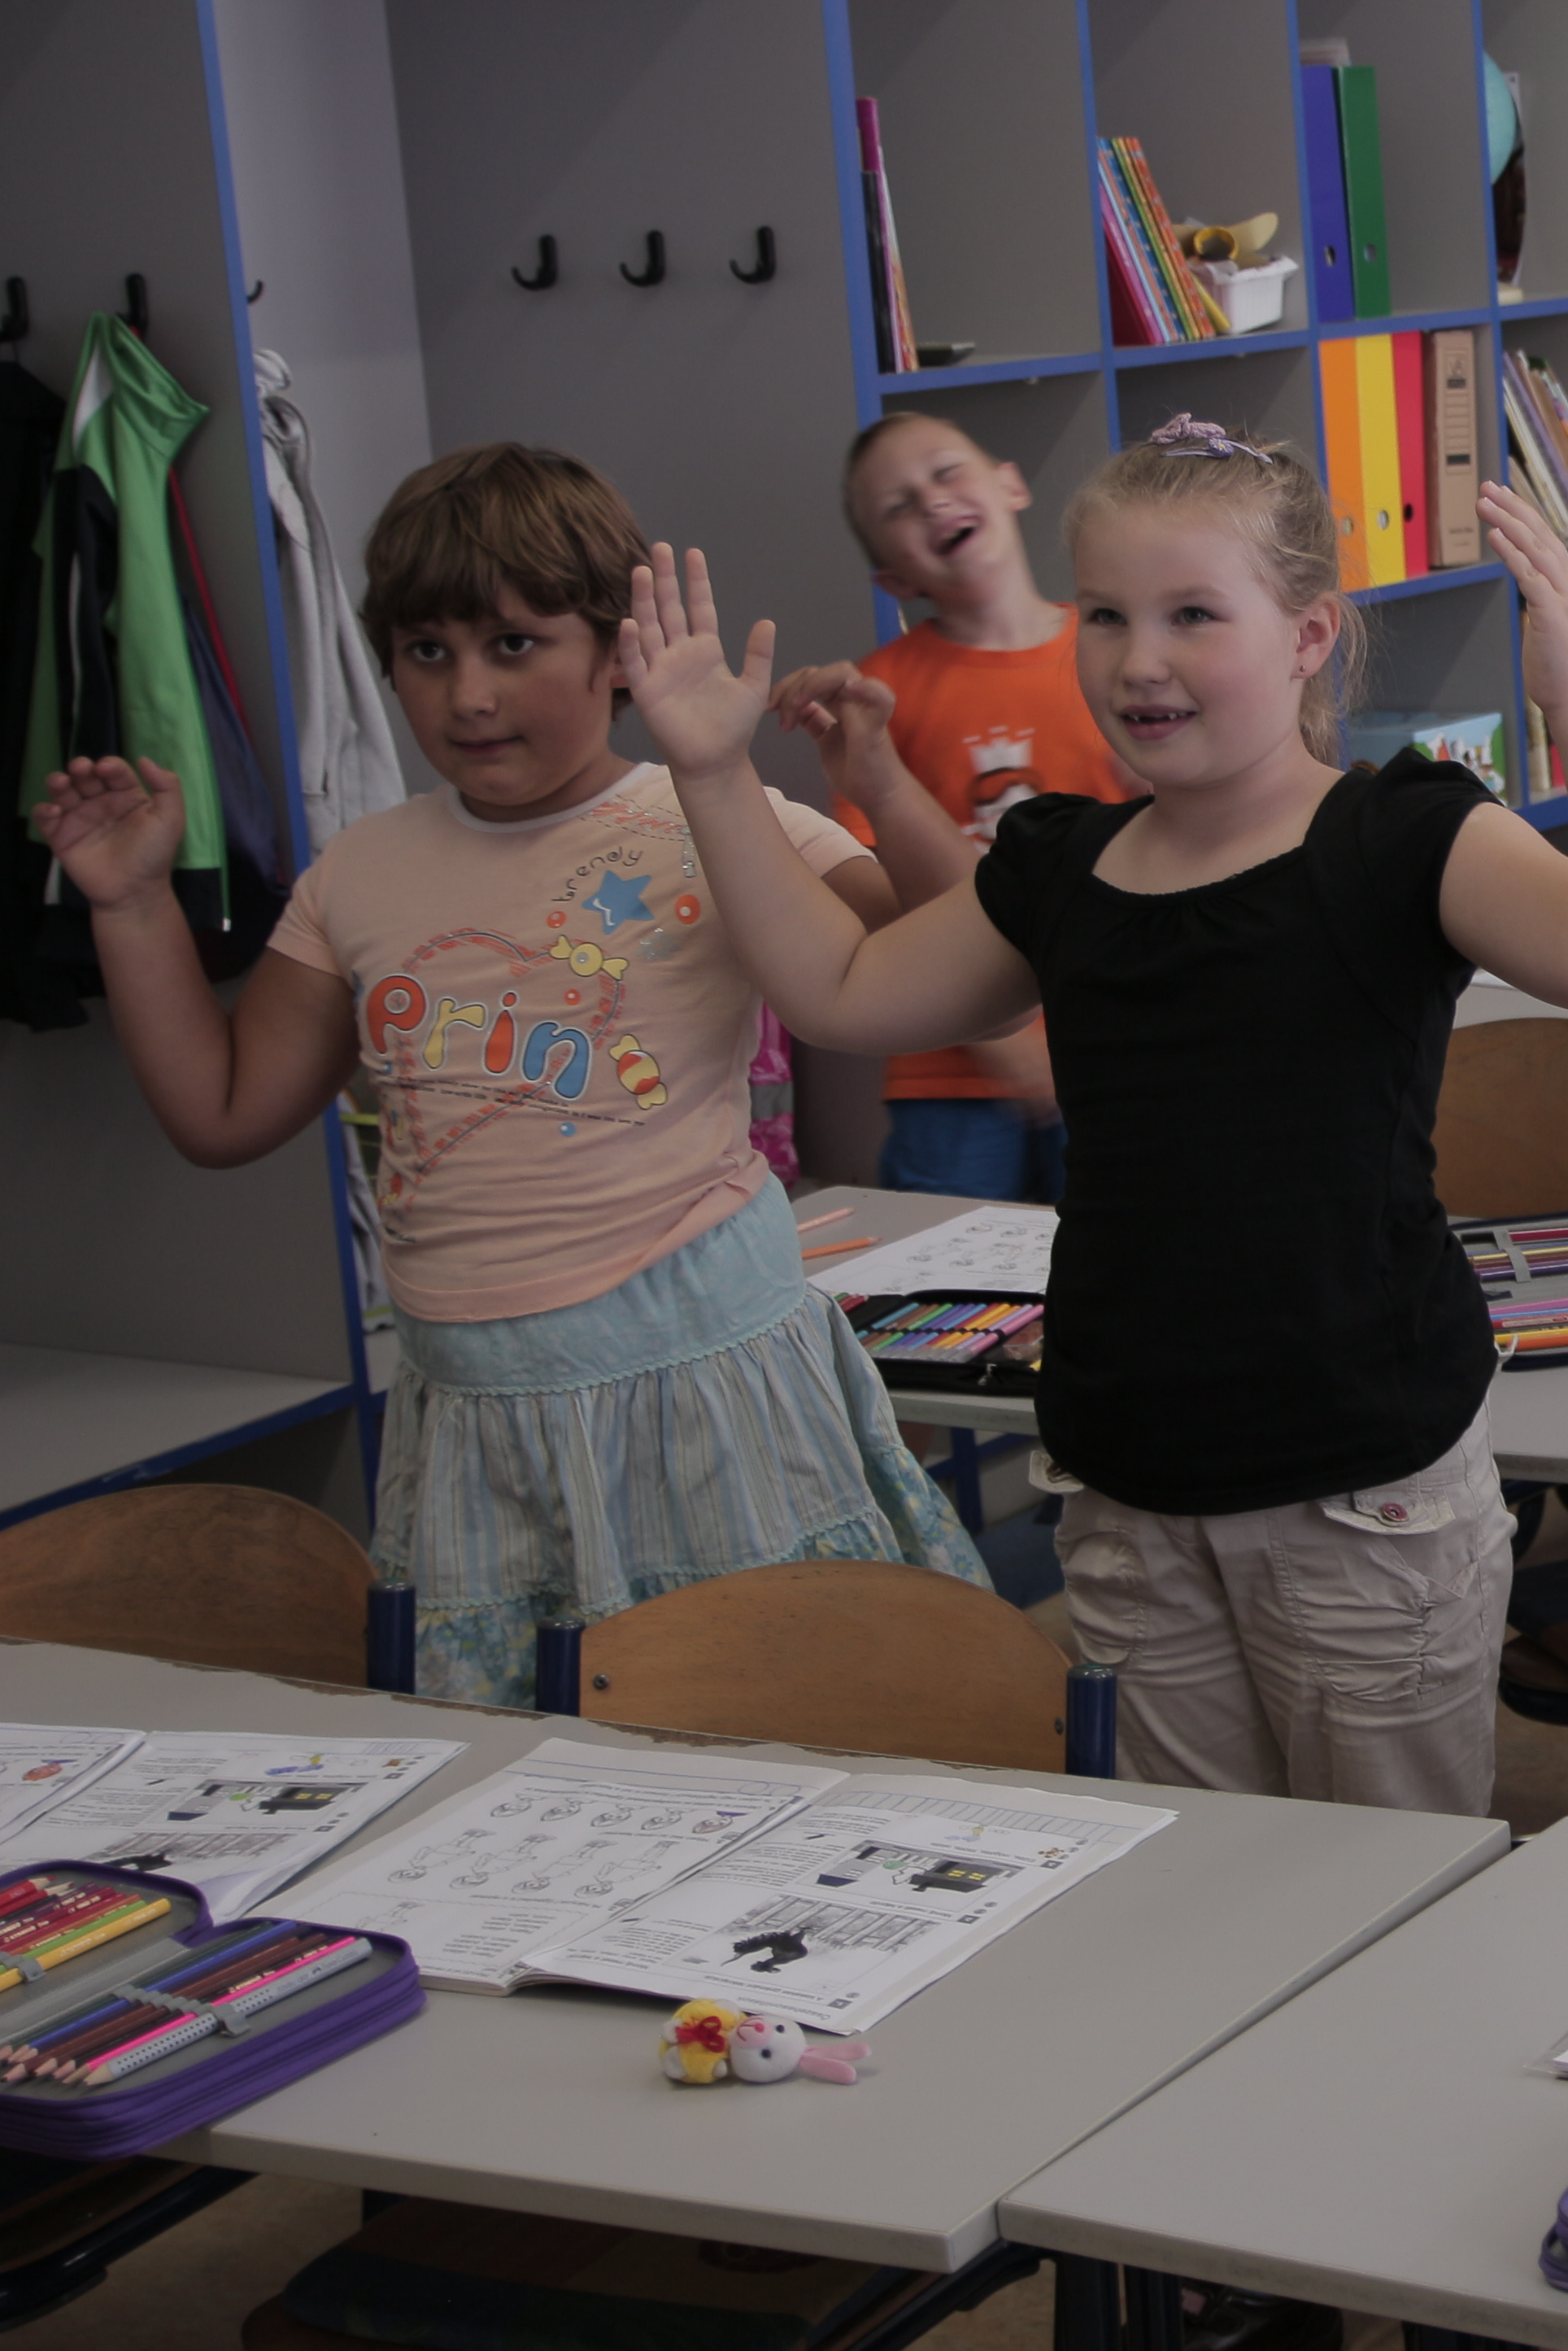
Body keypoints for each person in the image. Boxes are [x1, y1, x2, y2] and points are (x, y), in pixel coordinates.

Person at [614, 423, 1568, 1809]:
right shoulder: (1061, 864)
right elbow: (839, 989)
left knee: (1385, 1876)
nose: (1140, 660)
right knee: (1201, 1875)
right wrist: (714, 773)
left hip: (1357, 1488)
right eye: (1108, 615)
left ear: (1308, 635)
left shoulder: (1398, 836)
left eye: (1194, 615)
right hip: (1130, 1484)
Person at [29, 443, 983, 1704]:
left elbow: (960, 964)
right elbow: (223, 1109)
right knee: (530, 1752)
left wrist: (881, 788)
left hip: (701, 1378)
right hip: (477, 1411)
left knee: (760, 1708)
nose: (468, 695)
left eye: (515, 644)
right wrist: (132, 906)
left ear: (617, 653)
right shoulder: (359, 871)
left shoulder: (714, 813)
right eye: (427, 652)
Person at [766, 410, 1137, 1204]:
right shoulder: (878, 696)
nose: (933, 503)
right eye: (899, 507)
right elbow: (885, 902)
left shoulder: (1117, 653)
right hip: (947, 1071)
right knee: (944, 1260)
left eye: (945, 473)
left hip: (1109, 1044)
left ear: (1011, 484)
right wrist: (1008, 1046)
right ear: (894, 581)